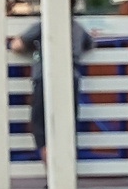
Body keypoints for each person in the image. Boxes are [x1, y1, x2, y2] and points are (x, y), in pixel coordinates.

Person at [14, 15, 95, 163]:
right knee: (67, 125)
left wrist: (34, 48)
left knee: (40, 125)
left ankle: (52, 169)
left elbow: (17, 45)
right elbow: (90, 44)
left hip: (44, 78)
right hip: (71, 78)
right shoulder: (77, 28)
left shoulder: (43, 25)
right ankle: (66, 169)